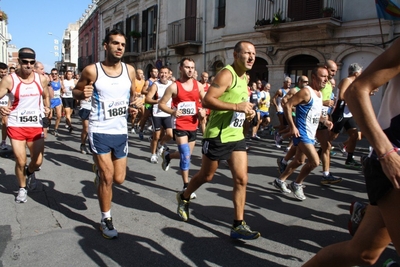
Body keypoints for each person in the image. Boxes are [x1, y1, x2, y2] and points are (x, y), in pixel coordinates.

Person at [303, 36, 400, 267]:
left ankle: (340, 169)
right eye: (327, 73)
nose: (330, 76)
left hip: (342, 121)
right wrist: (386, 152)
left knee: (363, 253)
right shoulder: (342, 82)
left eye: (332, 72)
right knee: (318, 151)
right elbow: (352, 94)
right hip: (391, 154)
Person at [175, 41, 260, 240]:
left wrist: (247, 112)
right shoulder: (226, 74)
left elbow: (238, 102)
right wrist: (237, 108)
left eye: (254, 54)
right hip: (217, 135)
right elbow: (207, 100)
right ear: (235, 54)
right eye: (247, 53)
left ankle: (238, 225)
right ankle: (184, 196)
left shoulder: (244, 77)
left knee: (241, 179)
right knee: (207, 176)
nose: (251, 57)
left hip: (236, 135)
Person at [73, 29, 141, 239]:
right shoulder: (92, 71)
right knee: (108, 178)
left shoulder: (129, 70)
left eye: (122, 44)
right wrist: (81, 93)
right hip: (99, 130)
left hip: (120, 131)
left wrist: (137, 103)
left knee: (119, 179)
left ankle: (100, 175)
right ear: (105, 46)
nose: (120, 47)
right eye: (115, 43)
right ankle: (106, 219)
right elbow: (76, 91)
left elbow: (135, 95)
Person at [273, 66, 333, 201]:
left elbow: (316, 115)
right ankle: (297, 184)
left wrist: (325, 121)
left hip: (311, 134)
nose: (326, 79)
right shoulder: (306, 92)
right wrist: (292, 127)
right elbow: (287, 105)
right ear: (314, 77)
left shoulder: (320, 94)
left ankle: (280, 180)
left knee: (299, 160)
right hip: (302, 133)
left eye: (327, 77)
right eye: (323, 76)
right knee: (315, 162)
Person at [0, 47, 50, 203]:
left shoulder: (41, 79)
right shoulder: (9, 79)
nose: (28, 65)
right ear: (19, 62)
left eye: (31, 62)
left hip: (35, 125)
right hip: (16, 124)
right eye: (25, 62)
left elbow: (46, 95)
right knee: (20, 160)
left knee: (38, 161)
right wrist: (1, 108)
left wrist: (48, 107)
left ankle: (29, 172)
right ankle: (22, 188)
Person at [158, 58, 205, 199]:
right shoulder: (174, 86)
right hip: (180, 125)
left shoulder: (199, 85)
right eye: (187, 67)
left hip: (193, 125)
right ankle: (186, 185)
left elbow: (206, 100)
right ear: (180, 68)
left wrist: (203, 110)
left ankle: (168, 156)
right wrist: (172, 111)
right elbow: (162, 104)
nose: (190, 70)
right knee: (185, 155)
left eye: (192, 67)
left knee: (186, 155)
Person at [329, 63, 363, 169]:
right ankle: (320, 153)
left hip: (349, 113)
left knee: (355, 135)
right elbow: (342, 96)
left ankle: (349, 159)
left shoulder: (356, 82)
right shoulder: (346, 80)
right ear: (356, 73)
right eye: (360, 73)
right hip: (341, 112)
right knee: (332, 136)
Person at [315, 60, 342, 184]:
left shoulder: (330, 84)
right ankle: (284, 163)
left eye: (335, 71)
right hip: (312, 118)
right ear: (325, 68)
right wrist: (324, 103)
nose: (334, 74)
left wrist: (328, 116)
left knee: (326, 146)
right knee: (300, 153)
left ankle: (326, 174)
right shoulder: (319, 82)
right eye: (332, 71)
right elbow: (311, 98)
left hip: (323, 118)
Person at [145, 66, 173, 163]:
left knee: (170, 135)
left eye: (166, 73)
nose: (163, 75)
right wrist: (158, 102)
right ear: (159, 74)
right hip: (157, 113)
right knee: (156, 136)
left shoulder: (172, 84)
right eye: (161, 73)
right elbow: (147, 99)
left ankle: (161, 144)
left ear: (169, 74)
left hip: (167, 113)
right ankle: (153, 154)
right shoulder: (155, 85)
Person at [138, 67, 159, 140]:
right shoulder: (148, 81)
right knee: (145, 116)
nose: (156, 73)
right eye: (154, 72)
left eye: (157, 72)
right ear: (150, 73)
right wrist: (151, 92)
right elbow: (143, 91)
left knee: (156, 117)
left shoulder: (159, 81)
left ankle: (153, 133)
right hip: (149, 102)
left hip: (156, 102)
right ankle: (141, 130)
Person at [34, 61, 52, 139]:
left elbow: (46, 96)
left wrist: (47, 107)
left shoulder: (43, 80)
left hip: (41, 112)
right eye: (41, 69)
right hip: (27, 114)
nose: (43, 71)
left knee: (44, 135)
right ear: (34, 69)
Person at [49, 68, 63, 137]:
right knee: (50, 116)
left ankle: (55, 129)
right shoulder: (49, 82)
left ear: (57, 74)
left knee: (59, 116)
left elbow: (62, 89)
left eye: (55, 74)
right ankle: (48, 124)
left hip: (58, 99)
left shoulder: (60, 81)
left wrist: (63, 91)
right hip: (51, 100)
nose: (54, 75)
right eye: (52, 74)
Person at [131, 68, 145, 134]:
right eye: (140, 73)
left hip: (142, 100)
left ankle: (138, 123)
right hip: (135, 100)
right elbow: (131, 91)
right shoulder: (133, 81)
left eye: (142, 73)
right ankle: (132, 127)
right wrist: (136, 93)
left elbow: (144, 90)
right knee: (134, 115)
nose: (142, 75)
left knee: (144, 113)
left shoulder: (143, 81)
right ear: (136, 74)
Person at [0, 62, 10, 149]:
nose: (3, 74)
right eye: (1, 72)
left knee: (5, 123)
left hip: (5, 106)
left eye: (5, 72)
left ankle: (3, 142)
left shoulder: (9, 81)